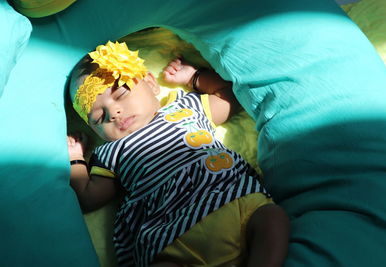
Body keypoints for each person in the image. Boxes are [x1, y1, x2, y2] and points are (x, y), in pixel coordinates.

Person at [67, 41, 289, 267]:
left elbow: (228, 95)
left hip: (232, 198)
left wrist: (194, 77)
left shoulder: (186, 107)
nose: (113, 112)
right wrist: (76, 158)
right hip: (170, 233)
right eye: (97, 117)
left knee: (272, 218)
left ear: (151, 84)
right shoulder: (110, 152)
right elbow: (89, 197)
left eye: (121, 93)